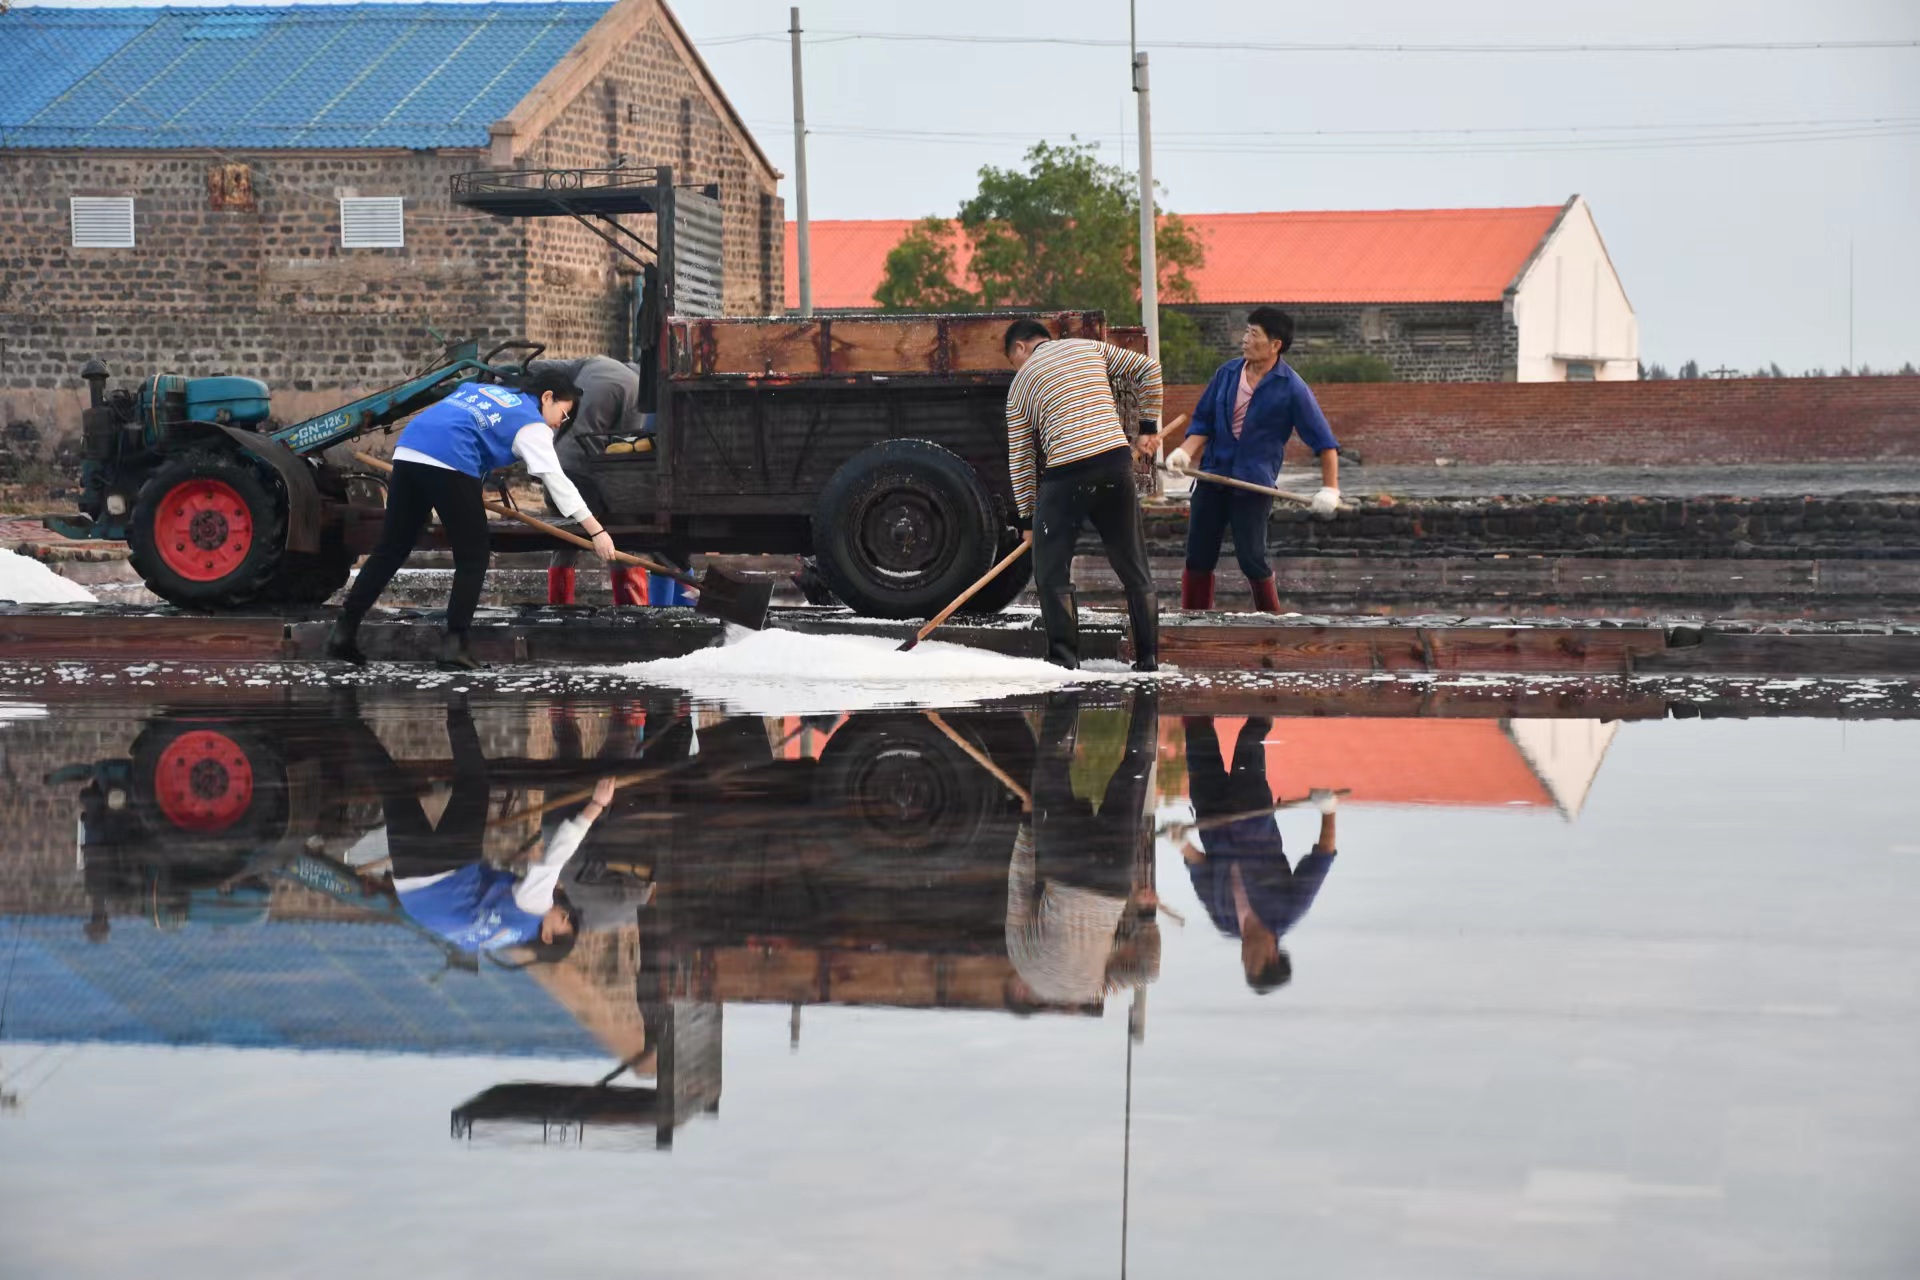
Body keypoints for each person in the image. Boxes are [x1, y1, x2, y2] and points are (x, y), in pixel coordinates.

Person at [326, 368, 617, 670]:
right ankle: (454, 645)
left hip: (410, 449)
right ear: (546, 398)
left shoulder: (485, 392)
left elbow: (463, 428)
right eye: (563, 414)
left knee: (391, 549)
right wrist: (596, 531)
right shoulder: (531, 423)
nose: (559, 423)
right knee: (474, 555)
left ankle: (343, 632)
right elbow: (557, 482)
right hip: (449, 459)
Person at [378, 699, 612, 961]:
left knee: (474, 782)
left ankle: (456, 694)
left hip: (448, 878)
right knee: (391, 787)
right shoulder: (495, 940)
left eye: (563, 921)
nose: (562, 913)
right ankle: (344, 715)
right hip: (412, 892)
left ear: (547, 935)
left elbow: (557, 856)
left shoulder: (533, 911)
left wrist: (596, 806)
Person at [1003, 319, 1163, 671]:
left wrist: (1028, 520)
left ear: (1020, 348)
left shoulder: (1019, 387)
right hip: (1114, 463)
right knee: (1133, 566)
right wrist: (1147, 427)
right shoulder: (1087, 347)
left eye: (1014, 360)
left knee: (1050, 571)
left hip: (1066, 475)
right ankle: (1149, 660)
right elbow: (1148, 368)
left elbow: (1022, 461)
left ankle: (1064, 663)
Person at [1163, 307, 1340, 614]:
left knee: (1252, 558)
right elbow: (1203, 422)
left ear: (1275, 345)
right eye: (1246, 332)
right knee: (1198, 556)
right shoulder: (1227, 374)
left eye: (1253, 334)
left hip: (1253, 485)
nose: (1244, 339)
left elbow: (1324, 443)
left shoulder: (1292, 387)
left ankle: (1270, 621)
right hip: (1212, 477)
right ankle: (1193, 620)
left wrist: (1330, 490)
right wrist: (1184, 453)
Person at [1004, 689, 1162, 1007]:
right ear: (1021, 991)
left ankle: (1149, 685)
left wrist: (1146, 917)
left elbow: (1148, 973)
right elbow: (1020, 887)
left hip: (1113, 878)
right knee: (1052, 764)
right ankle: (1067, 683)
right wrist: (1028, 821)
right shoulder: (1023, 964)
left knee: (1135, 767)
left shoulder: (1094, 989)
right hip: (1067, 864)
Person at [1179, 715, 1338, 994]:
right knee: (1250, 738)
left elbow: (1200, 868)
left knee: (1197, 736)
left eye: (1244, 963)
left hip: (1210, 816)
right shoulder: (1289, 910)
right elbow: (1322, 856)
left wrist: (1181, 842)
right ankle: (1265, 686)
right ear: (1272, 954)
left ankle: (1195, 693)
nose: (1243, 956)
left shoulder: (1224, 921)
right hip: (1250, 811)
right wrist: (1328, 810)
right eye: (1251, 960)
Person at [526, 356, 677, 609]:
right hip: (582, 475)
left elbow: (540, 367)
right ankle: (631, 607)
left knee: (565, 541)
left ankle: (560, 607)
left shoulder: (593, 363)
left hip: (555, 470)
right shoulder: (635, 390)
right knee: (619, 534)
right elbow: (620, 453)